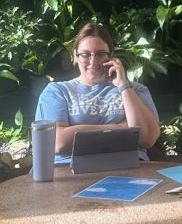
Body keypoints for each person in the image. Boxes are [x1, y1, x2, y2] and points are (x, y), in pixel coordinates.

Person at [34, 22, 160, 156]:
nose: (93, 62)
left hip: (128, 168)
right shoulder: (57, 91)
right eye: (85, 54)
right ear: (75, 56)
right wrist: (123, 128)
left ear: (110, 56)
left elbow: (147, 139)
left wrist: (124, 85)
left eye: (100, 54)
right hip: (68, 170)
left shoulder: (136, 90)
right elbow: (58, 143)